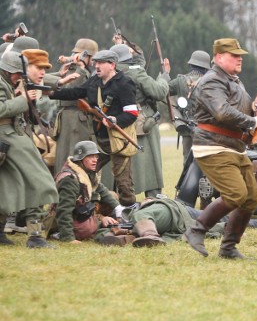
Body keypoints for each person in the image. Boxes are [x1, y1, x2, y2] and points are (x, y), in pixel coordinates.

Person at [184, 38, 257, 259]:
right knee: (235, 194)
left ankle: (228, 248)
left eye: (240, 55)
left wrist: (254, 108)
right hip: (213, 146)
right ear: (219, 57)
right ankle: (196, 230)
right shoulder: (212, 81)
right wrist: (253, 122)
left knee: (251, 199)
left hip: (234, 147)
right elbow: (222, 112)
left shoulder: (233, 80)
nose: (239, 58)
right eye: (234, 55)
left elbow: (237, 109)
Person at [50, 49, 139, 206]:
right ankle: (84, 208)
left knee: (123, 182)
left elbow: (132, 113)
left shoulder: (125, 83)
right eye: (95, 63)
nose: (96, 66)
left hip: (118, 140)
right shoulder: (94, 82)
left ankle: (127, 213)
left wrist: (115, 120)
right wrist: (51, 92)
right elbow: (75, 92)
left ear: (112, 65)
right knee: (85, 173)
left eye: (101, 63)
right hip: (98, 139)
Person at [0, 50, 58, 248]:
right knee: (40, 180)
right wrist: (23, 99)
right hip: (7, 136)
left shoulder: (10, 83)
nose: (20, 77)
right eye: (18, 73)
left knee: (6, 186)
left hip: (10, 136)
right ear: (8, 71)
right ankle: (35, 236)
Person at [104, 43, 169, 198]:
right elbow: (158, 91)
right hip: (141, 121)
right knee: (149, 165)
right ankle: (152, 196)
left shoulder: (109, 72)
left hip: (115, 119)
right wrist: (164, 76)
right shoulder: (136, 72)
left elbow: (139, 64)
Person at [102, 196, 257, 247]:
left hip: (175, 210)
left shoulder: (126, 213)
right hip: (176, 215)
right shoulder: (119, 221)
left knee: (221, 216)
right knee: (219, 224)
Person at [51, 140, 120, 243]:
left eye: (96, 156)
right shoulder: (69, 179)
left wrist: (118, 207)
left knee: (112, 196)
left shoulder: (87, 172)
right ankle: (60, 233)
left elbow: (100, 189)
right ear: (81, 159)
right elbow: (64, 210)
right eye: (90, 156)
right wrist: (68, 238)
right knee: (88, 230)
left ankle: (107, 221)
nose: (95, 160)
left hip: (84, 210)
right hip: (70, 217)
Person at [52, 38, 99, 174]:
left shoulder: (75, 69)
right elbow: (73, 91)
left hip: (72, 117)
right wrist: (81, 68)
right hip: (75, 119)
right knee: (74, 153)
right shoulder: (77, 71)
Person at [168, 50, 211, 160]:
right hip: (206, 129)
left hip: (186, 127)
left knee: (188, 161)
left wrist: (166, 75)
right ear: (206, 67)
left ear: (191, 64)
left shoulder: (180, 81)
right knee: (206, 161)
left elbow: (164, 90)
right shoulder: (212, 82)